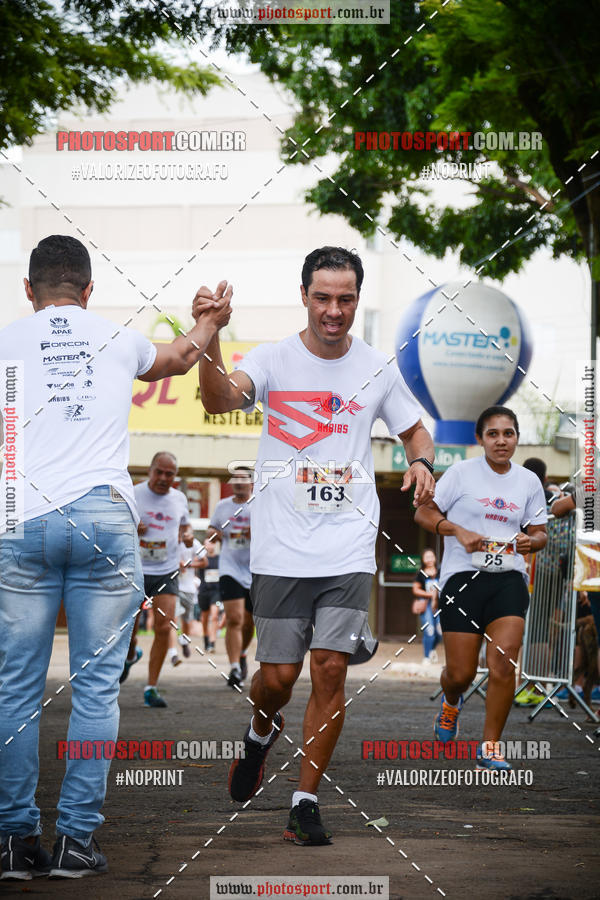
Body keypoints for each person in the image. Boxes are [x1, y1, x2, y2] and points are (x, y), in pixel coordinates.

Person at [0, 234, 230, 879]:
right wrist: (210, 319)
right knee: (95, 689)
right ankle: (75, 842)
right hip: (103, 518)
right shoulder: (118, 338)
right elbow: (181, 356)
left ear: (29, 289)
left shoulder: (7, 341)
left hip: (21, 515)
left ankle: (14, 842)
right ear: (88, 290)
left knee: (15, 688)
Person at [198, 246, 435, 845]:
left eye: (345, 299)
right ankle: (261, 731)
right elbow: (218, 399)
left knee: (330, 669)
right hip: (280, 548)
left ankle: (304, 802)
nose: (334, 310)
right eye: (323, 297)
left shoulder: (377, 367)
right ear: (303, 296)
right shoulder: (273, 359)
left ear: (357, 300)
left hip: (348, 547)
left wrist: (422, 461)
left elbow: (415, 430)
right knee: (277, 678)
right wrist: (212, 334)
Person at [415, 405, 548, 770]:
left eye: (508, 433)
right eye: (493, 434)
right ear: (480, 439)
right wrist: (457, 530)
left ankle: (489, 748)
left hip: (509, 578)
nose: (501, 441)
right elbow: (423, 512)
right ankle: (451, 701)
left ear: (517, 438)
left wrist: (531, 541)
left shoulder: (528, 482)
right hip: (463, 578)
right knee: (461, 675)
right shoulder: (461, 473)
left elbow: (540, 533)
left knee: (503, 664)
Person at [121, 452, 189, 708]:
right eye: (159, 472)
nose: (163, 478)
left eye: (169, 474)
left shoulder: (179, 498)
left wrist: (188, 535)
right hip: (135, 568)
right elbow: (116, 524)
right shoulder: (134, 493)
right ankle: (130, 654)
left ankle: (151, 687)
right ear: (150, 470)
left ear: (175, 476)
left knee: (163, 627)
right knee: (129, 630)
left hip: (166, 570)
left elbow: (185, 525)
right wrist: (131, 527)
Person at [207, 468, 254, 689]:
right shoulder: (222, 506)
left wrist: (258, 531)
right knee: (235, 619)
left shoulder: (260, 505)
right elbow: (212, 529)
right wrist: (214, 534)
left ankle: (242, 652)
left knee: (249, 621)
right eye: (235, 479)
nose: (238, 482)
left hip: (255, 569)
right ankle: (234, 667)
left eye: (243, 479)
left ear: (252, 483)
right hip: (230, 568)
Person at [176, 524, 207, 659]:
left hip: (188, 587)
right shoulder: (171, 541)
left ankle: (184, 641)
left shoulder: (194, 543)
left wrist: (188, 565)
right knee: (173, 616)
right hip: (173, 585)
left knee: (186, 620)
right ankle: (173, 647)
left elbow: (205, 562)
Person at [412, 549, 442, 664]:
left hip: (440, 604)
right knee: (429, 629)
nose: (429, 559)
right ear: (423, 560)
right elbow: (415, 589)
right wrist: (430, 594)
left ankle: (432, 649)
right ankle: (427, 656)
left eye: (431, 556)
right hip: (426, 604)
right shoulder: (421, 574)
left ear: (435, 558)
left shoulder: (440, 571)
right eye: (427, 557)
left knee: (440, 630)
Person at [198, 537, 221, 652]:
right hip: (204, 591)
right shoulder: (201, 559)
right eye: (207, 544)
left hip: (216, 591)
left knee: (215, 615)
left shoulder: (220, 559)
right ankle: (206, 639)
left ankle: (212, 642)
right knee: (204, 618)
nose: (209, 546)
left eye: (211, 543)